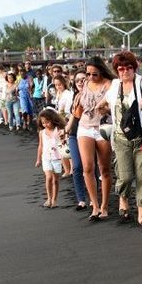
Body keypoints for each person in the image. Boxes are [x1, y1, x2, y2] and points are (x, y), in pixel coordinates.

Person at [102, 51, 142, 226]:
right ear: (116, 70)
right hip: (120, 138)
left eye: (128, 68)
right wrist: (100, 109)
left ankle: (141, 212)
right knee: (124, 176)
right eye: (121, 68)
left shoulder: (141, 83)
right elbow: (104, 103)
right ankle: (123, 198)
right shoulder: (114, 85)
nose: (125, 72)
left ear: (134, 67)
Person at [74, 56, 116, 221]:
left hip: (103, 128)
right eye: (88, 74)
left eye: (94, 74)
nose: (91, 77)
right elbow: (80, 106)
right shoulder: (85, 84)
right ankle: (95, 205)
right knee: (87, 168)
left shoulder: (110, 85)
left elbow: (115, 107)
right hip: (84, 127)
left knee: (104, 169)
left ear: (101, 71)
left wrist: (107, 109)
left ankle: (105, 206)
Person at [65, 70, 88, 211]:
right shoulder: (72, 96)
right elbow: (70, 116)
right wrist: (65, 129)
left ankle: (93, 198)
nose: (80, 82)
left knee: (90, 167)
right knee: (77, 166)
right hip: (74, 133)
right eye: (77, 80)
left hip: (88, 134)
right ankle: (81, 199)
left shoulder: (93, 96)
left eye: (83, 79)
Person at [35, 108, 67, 209]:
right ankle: (49, 198)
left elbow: (63, 143)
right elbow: (40, 146)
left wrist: (63, 140)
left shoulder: (58, 130)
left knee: (55, 180)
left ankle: (54, 199)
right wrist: (38, 159)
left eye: (47, 122)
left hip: (57, 158)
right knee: (48, 177)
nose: (45, 124)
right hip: (46, 158)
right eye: (43, 123)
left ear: (52, 120)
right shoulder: (42, 132)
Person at [53, 74, 73, 177]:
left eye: (59, 84)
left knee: (67, 145)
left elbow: (69, 110)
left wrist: (63, 117)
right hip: (58, 120)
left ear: (64, 84)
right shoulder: (58, 93)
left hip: (65, 120)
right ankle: (66, 169)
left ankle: (72, 169)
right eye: (56, 85)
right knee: (60, 145)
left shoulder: (67, 94)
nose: (58, 87)